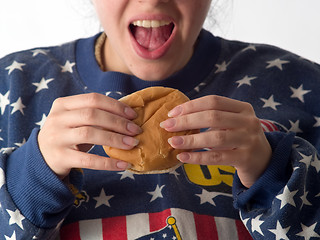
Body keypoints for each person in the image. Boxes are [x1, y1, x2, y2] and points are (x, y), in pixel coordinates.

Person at [0, 0, 319, 239]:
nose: (152, 0)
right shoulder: (13, 87)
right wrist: (31, 180)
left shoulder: (300, 86)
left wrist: (273, 174)